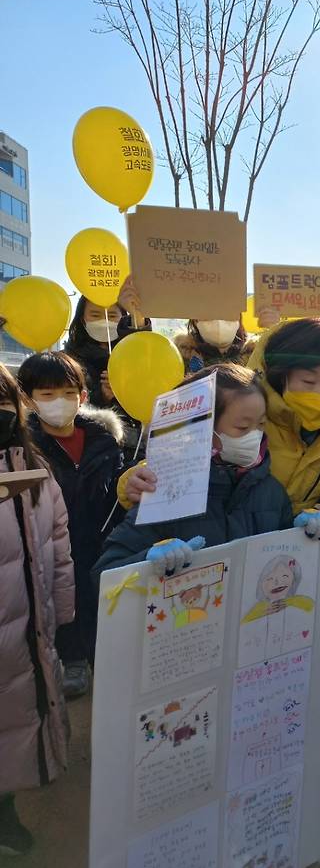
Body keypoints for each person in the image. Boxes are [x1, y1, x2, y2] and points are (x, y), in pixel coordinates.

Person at [94, 364, 301, 579]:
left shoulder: (270, 490)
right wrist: (147, 560)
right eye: (242, 427)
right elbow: (106, 573)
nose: (255, 436)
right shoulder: (166, 492)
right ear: (202, 427)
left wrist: (306, 535)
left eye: (261, 425)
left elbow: (289, 555)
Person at [0, 363, 74, 857]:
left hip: (30, 627)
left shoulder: (35, 467)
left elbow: (58, 542)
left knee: (18, 718)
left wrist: (61, 612)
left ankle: (5, 811)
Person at [17, 352, 124, 695]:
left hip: (99, 539)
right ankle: (73, 659)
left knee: (98, 601)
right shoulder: (24, 447)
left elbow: (115, 493)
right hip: (51, 545)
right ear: (28, 399)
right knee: (61, 600)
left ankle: (102, 659)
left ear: (83, 395)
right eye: (47, 395)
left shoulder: (104, 440)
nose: (59, 402)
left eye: (68, 392)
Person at [240, 317, 320, 513]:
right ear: (281, 374)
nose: (319, 393)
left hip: (304, 537)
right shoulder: (247, 414)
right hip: (242, 532)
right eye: (308, 381)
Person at [64, 295, 150, 462]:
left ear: (123, 317)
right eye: (95, 315)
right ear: (82, 319)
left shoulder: (134, 351)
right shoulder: (70, 359)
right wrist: (101, 396)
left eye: (112, 316)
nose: (104, 321)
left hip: (137, 448)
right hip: (92, 452)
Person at [174, 318, 249, 373]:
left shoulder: (253, 354)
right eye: (211, 315)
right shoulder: (179, 356)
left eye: (226, 313)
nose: (219, 322)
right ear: (195, 320)